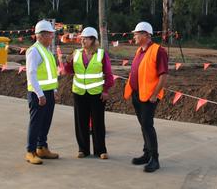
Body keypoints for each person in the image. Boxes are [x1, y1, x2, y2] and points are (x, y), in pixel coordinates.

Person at [123, 21, 168, 173]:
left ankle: (154, 159)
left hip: (150, 97)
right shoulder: (139, 51)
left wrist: (155, 94)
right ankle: (146, 153)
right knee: (143, 125)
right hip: (138, 94)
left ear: (145, 35)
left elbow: (163, 76)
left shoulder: (158, 51)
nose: (134, 36)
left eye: (136, 34)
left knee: (147, 126)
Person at [64, 27, 114, 159]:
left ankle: (101, 150)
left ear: (92, 40)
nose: (82, 41)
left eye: (85, 38)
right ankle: (83, 149)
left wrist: (105, 90)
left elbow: (108, 74)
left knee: (98, 122)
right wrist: (67, 62)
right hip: (79, 92)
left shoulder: (101, 54)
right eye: (81, 38)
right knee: (81, 122)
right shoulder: (76, 53)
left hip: (97, 94)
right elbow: (68, 71)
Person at [25, 20, 60, 165]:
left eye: (52, 35)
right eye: (49, 35)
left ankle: (42, 147)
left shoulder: (46, 51)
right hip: (38, 94)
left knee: (45, 122)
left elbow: (51, 73)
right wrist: (40, 94)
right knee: (36, 123)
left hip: (49, 92)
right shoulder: (34, 51)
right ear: (40, 36)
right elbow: (31, 74)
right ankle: (30, 151)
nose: (52, 37)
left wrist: (54, 90)